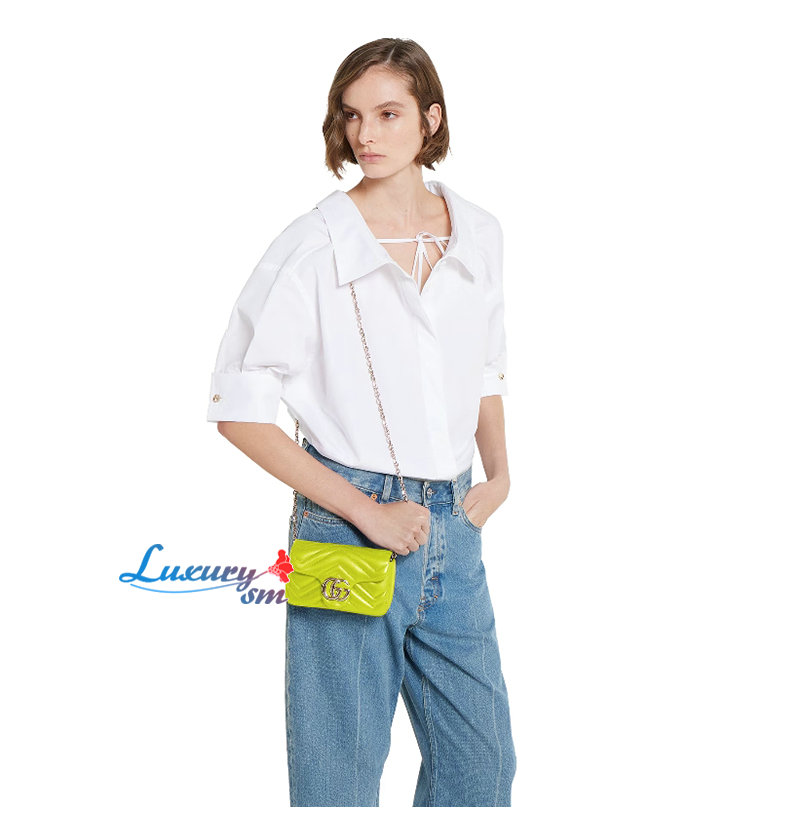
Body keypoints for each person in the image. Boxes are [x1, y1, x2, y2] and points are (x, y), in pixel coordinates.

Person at [206, 37, 516, 807]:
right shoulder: (313, 245)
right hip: (344, 523)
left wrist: (501, 473)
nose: (365, 134)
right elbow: (238, 409)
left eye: (387, 114)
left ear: (430, 119)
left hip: (455, 523)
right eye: (352, 116)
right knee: (337, 780)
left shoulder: (478, 231)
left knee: (481, 771)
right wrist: (364, 511)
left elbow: (484, 367)